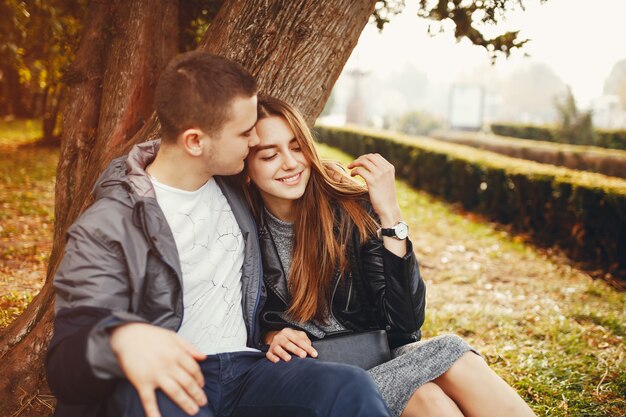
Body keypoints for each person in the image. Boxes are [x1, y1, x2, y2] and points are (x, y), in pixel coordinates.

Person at [45, 52, 393, 417]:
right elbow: (66, 358)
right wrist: (119, 338)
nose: (255, 139)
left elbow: (299, 186)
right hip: (172, 378)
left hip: (248, 370)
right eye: (245, 133)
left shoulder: (236, 190)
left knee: (349, 387)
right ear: (195, 141)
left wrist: (270, 333)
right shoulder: (108, 224)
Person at [241, 96, 538, 417]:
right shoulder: (237, 227)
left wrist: (391, 217)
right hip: (318, 377)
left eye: (297, 147)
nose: (290, 163)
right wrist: (270, 334)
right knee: (428, 394)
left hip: (379, 359)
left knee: (446, 368)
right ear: (245, 168)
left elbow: (405, 327)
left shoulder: (349, 210)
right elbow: (233, 323)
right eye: (270, 155)